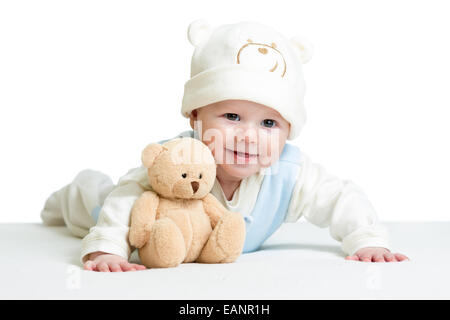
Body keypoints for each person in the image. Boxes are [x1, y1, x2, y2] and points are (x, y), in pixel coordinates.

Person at [40, 19, 409, 272]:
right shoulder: (177, 159)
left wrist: (367, 240)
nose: (249, 136)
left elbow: (340, 197)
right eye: (231, 117)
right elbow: (127, 197)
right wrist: (108, 248)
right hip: (120, 214)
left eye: (268, 123)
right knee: (95, 200)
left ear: (288, 130)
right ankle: (69, 195)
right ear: (195, 116)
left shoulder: (289, 172)